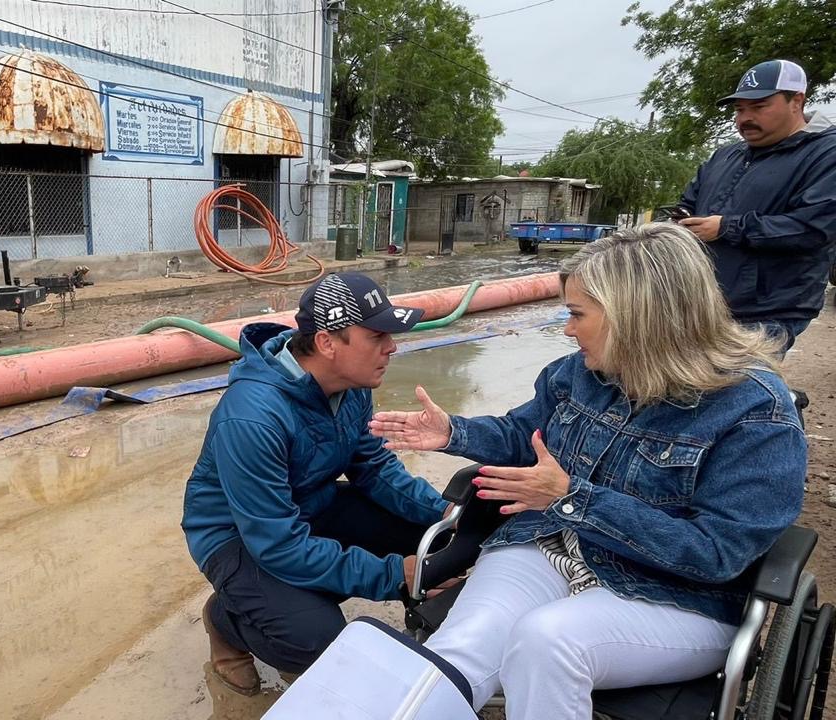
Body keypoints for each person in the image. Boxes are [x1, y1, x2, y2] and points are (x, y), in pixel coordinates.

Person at [368, 224, 807, 720]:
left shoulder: (755, 414)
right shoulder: (578, 372)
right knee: (455, 655)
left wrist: (572, 498)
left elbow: (717, 555)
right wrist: (453, 432)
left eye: (577, 313)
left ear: (638, 317)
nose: (567, 329)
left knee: (549, 643)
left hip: (676, 594)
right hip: (550, 544)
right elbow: (524, 436)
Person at [181, 272, 448, 696]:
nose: (392, 347)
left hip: (307, 506)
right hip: (238, 536)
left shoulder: (351, 386)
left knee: (434, 542)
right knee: (317, 639)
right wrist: (394, 573)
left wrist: (445, 514)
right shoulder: (253, 417)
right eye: (378, 335)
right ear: (326, 343)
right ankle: (226, 621)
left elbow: (374, 467)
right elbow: (278, 544)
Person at [676, 59, 836, 352]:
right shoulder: (725, 156)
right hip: (703, 304)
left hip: (768, 310)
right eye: (739, 109)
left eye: (758, 107)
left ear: (796, 101)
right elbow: (685, 205)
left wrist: (726, 228)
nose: (744, 118)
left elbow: (813, 229)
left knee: (731, 387)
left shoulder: (826, 153)